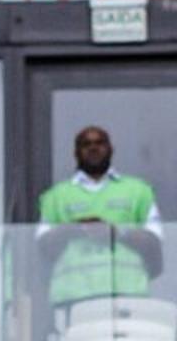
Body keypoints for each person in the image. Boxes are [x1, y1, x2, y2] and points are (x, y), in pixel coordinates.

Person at [35, 121, 162, 322]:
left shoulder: (139, 191)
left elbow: (154, 245)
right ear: (76, 152)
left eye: (100, 142)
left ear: (111, 149)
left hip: (128, 295)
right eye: (86, 144)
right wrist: (75, 229)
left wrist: (117, 232)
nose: (93, 147)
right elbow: (42, 249)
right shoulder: (55, 197)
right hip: (72, 299)